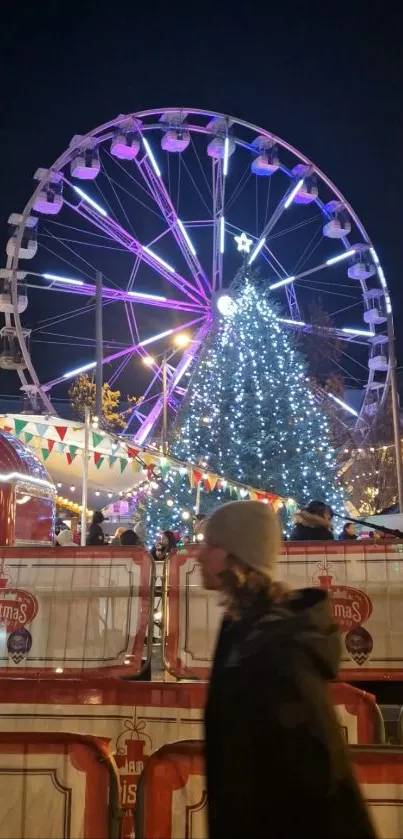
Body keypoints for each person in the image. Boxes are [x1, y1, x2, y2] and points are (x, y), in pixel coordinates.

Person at [199, 500, 376, 839]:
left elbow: (317, 776)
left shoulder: (278, 648)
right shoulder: (240, 629)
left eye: (212, 545)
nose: (199, 555)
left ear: (237, 557)